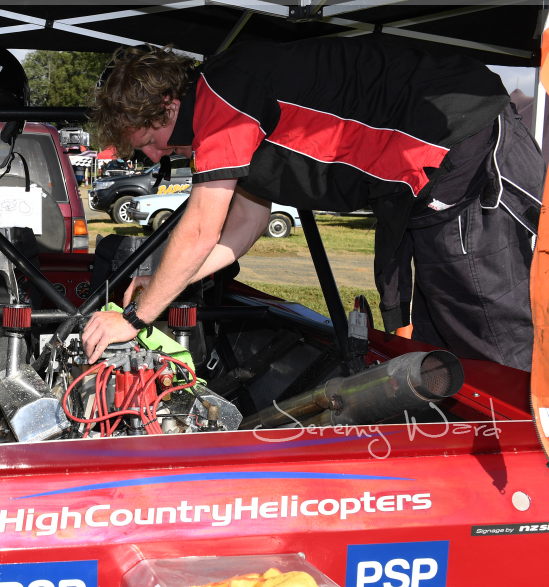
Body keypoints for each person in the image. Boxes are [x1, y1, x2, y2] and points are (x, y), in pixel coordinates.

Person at [81, 41, 544, 371]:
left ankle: (527, 459)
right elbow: (247, 222)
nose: (156, 156)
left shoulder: (221, 96)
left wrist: (133, 318)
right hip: (426, 178)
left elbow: (201, 228)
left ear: (168, 104)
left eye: (151, 140)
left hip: (462, 147)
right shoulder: (230, 95)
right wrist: (164, 284)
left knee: (489, 337)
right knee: (440, 346)